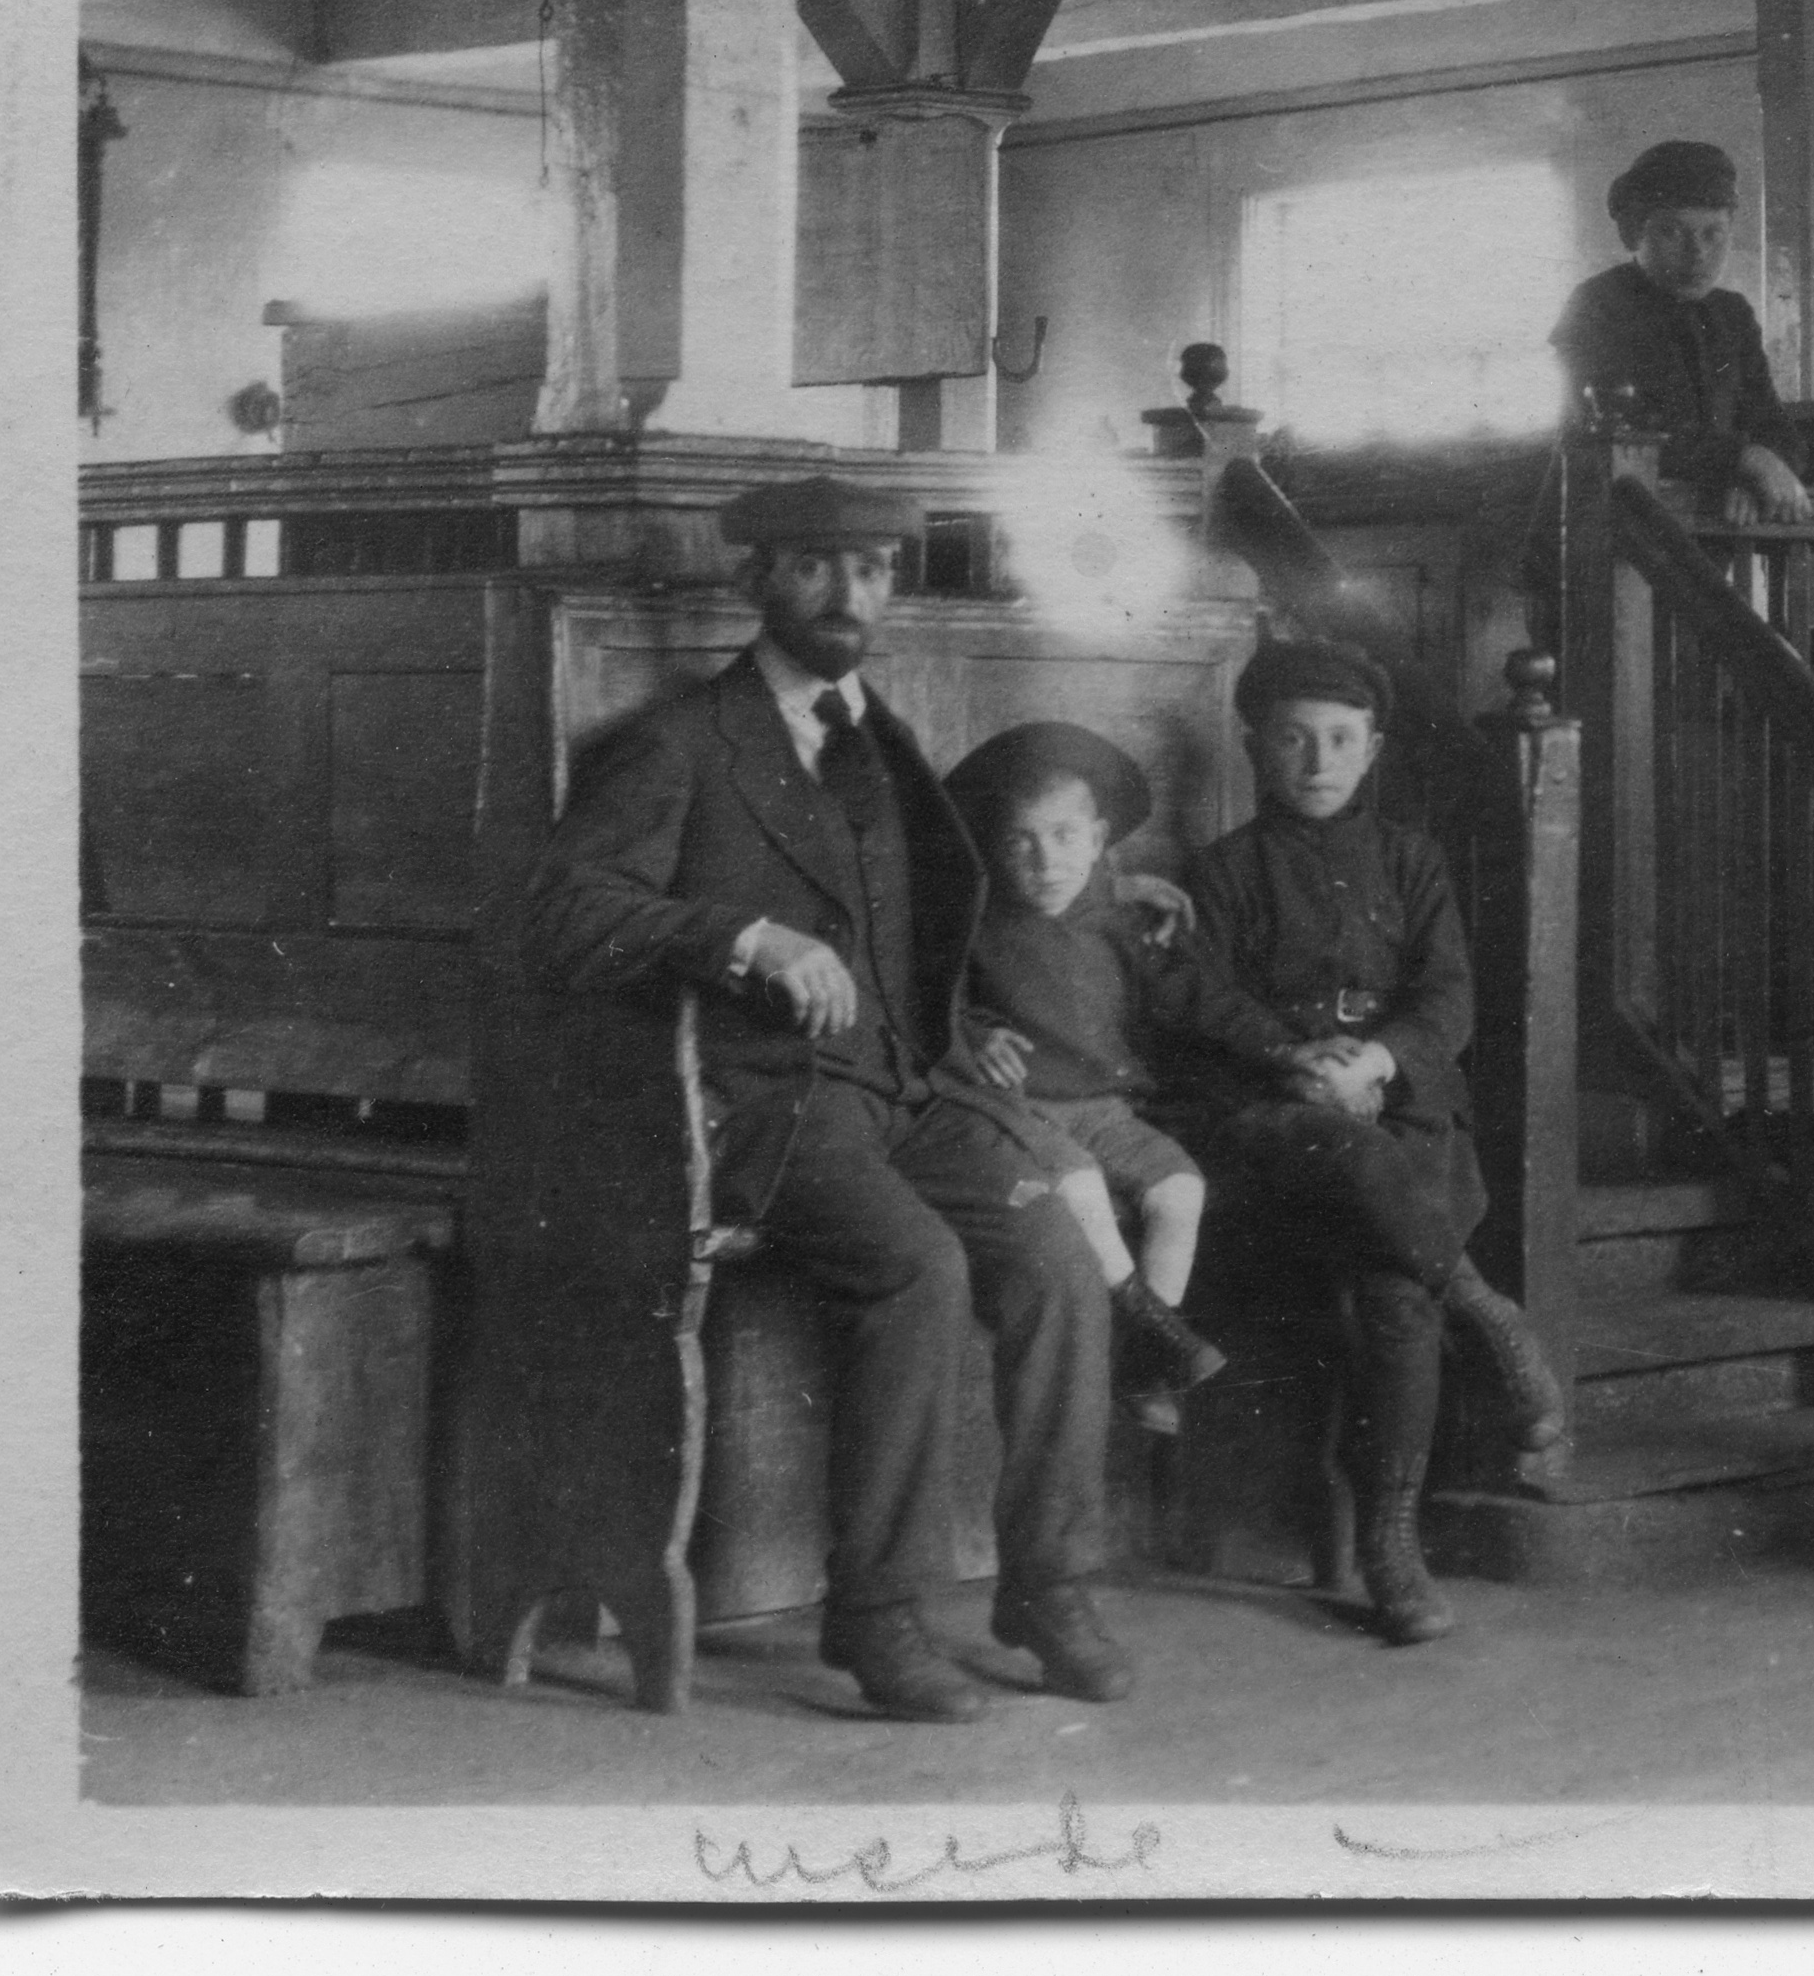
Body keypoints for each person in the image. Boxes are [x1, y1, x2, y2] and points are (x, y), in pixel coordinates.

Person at [518, 477, 1129, 1722]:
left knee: (1059, 1258)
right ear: (756, 581)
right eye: (815, 568)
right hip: (762, 1103)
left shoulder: (881, 734)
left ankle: (1047, 1584)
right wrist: (743, 936)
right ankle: (878, 1613)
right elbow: (563, 917)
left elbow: (936, 918)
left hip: (906, 1087)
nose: (849, 595)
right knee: (917, 1265)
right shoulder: (681, 739)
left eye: (871, 570)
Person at [1166, 639, 1570, 1646]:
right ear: (1256, 747)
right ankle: (1482, 1305)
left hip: (1398, 1106)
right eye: (1294, 738)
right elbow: (1202, 996)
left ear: (1373, 748)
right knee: (1375, 1207)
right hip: (1280, 1123)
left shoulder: (1410, 858)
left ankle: (1392, 1541)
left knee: (1396, 1294)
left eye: (1341, 739)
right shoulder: (1222, 870)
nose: (1317, 759)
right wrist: (1295, 1058)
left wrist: (1379, 1062)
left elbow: (1449, 994)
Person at [947, 721, 1228, 1435]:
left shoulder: (1109, 907)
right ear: (992, 846)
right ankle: (1148, 1320)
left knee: (1180, 1188)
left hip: (1106, 1109)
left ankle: (1144, 1362)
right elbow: (932, 1000)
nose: (1045, 862)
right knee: (1080, 1187)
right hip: (1026, 1110)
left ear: (1099, 840)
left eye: (1066, 837)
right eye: (1021, 841)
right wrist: (973, 1033)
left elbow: (1131, 925)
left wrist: (1138, 893)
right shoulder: (974, 920)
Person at [1550, 138, 1812, 526]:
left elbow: (1774, 425)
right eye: (1672, 233)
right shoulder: (1597, 304)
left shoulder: (1732, 315)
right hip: (1602, 531)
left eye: (1713, 233)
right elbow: (1623, 431)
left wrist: (1755, 475)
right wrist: (1743, 459)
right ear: (1634, 233)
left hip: (1698, 527)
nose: (1698, 253)